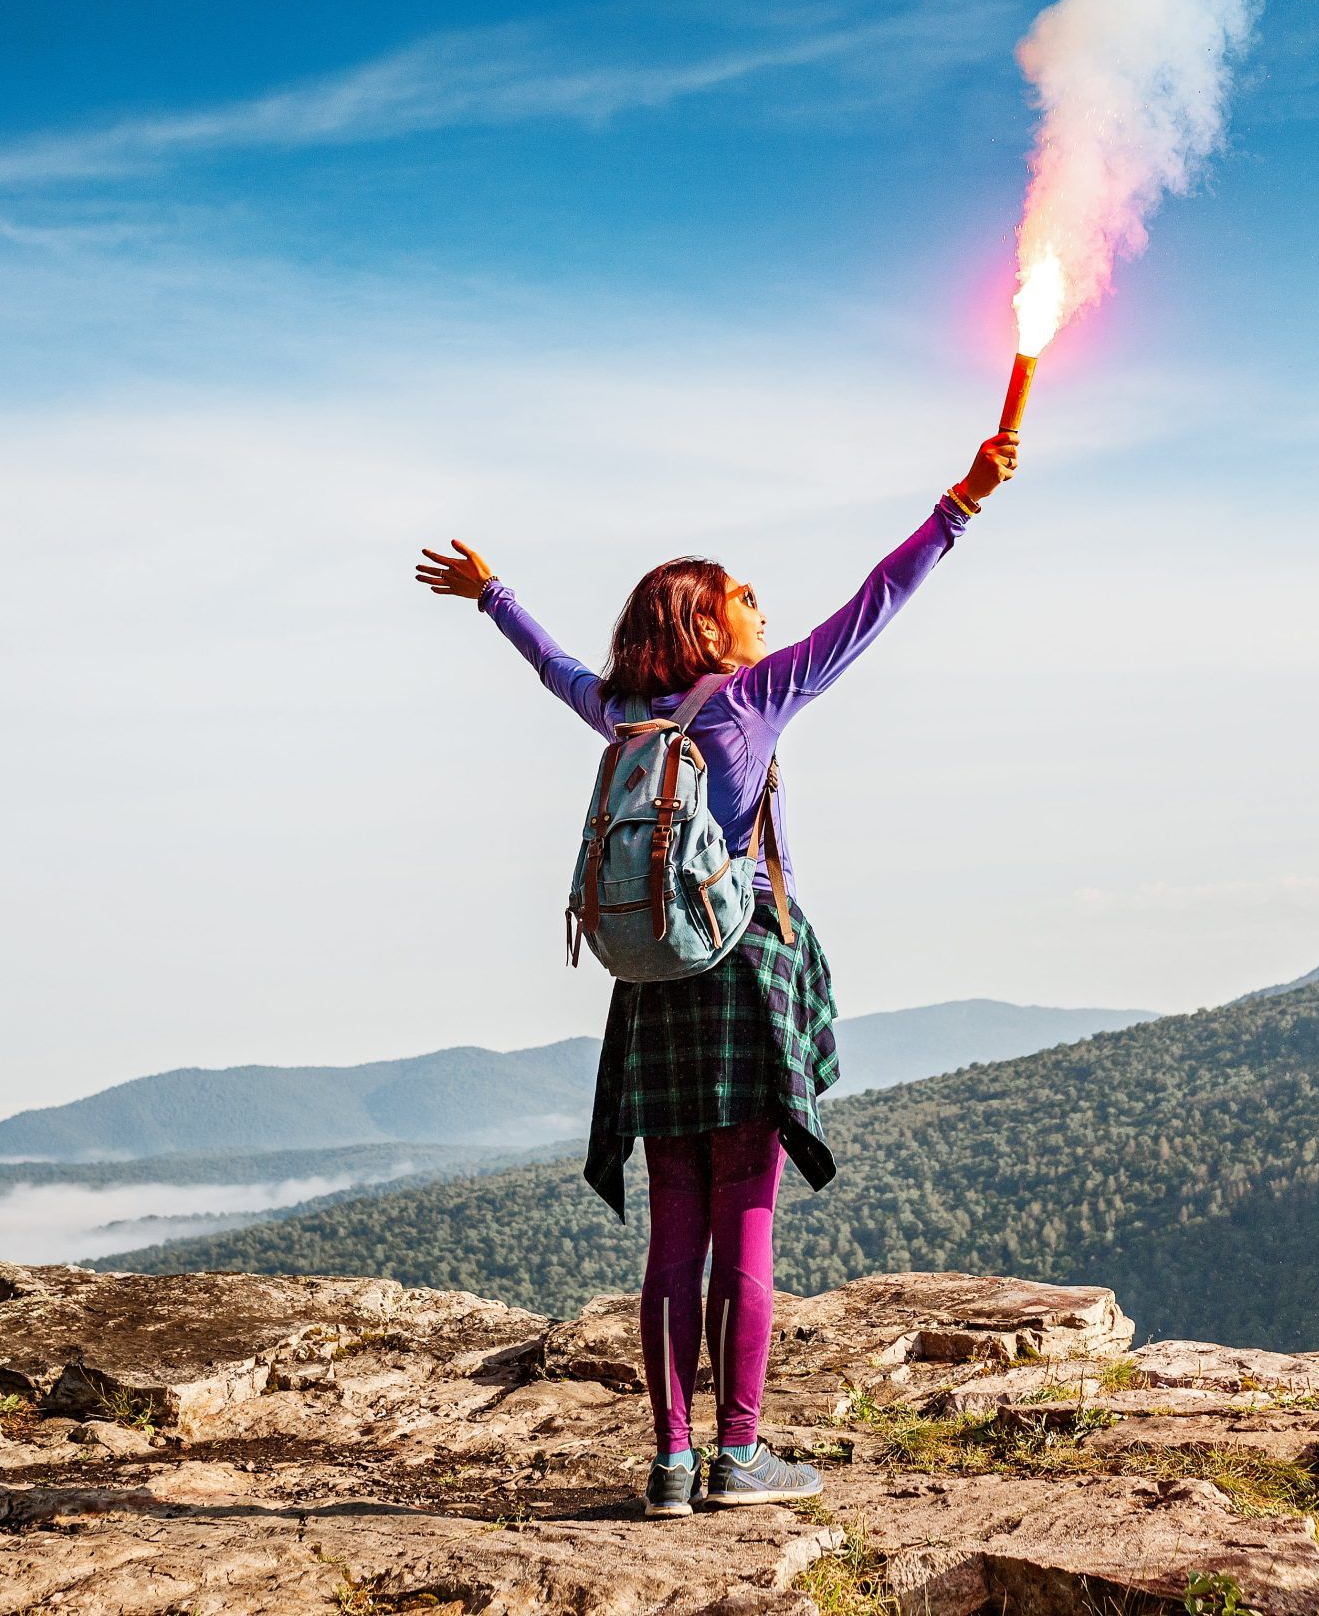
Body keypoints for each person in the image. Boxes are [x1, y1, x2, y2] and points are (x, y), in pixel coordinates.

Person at [414, 429, 1021, 1518]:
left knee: (672, 1228)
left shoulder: (624, 714)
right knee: (746, 1219)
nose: (761, 607)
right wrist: (960, 505)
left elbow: (556, 669)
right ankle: (738, 1458)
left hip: (650, 987)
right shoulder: (750, 701)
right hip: (743, 973)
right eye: (742, 595)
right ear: (704, 624)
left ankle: (667, 1462)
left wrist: (492, 594)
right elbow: (877, 601)